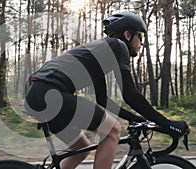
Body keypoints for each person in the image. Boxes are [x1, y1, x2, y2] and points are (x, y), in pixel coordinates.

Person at [24, 12, 189, 169]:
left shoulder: (101, 53)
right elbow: (130, 95)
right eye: (141, 36)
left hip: (38, 94)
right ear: (127, 35)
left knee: (82, 148)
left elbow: (102, 100)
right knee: (112, 130)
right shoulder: (118, 47)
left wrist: (135, 119)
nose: (142, 42)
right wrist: (168, 124)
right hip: (49, 92)